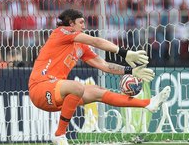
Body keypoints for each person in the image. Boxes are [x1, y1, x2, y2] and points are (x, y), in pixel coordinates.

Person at [28, 9, 171, 145]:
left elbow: (104, 65)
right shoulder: (61, 32)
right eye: (81, 22)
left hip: (56, 94)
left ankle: (148, 103)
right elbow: (96, 41)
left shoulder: (80, 47)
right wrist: (125, 53)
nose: (84, 25)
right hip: (40, 88)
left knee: (98, 91)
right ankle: (59, 134)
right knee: (77, 87)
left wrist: (131, 71)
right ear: (71, 24)